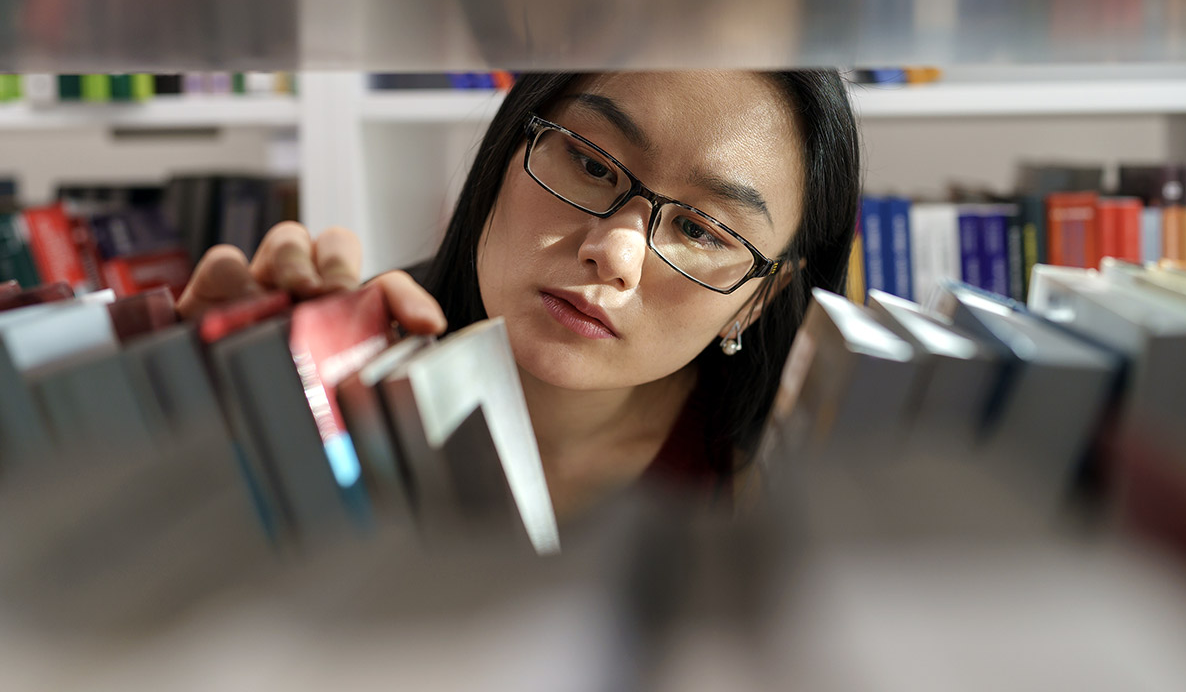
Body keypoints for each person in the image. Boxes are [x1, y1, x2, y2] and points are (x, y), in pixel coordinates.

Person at [178, 71, 859, 519]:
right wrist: (184, 428)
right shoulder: (320, 394)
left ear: (757, 301)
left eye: (702, 230)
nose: (615, 254)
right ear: (508, 146)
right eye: (591, 164)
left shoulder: (785, 491)